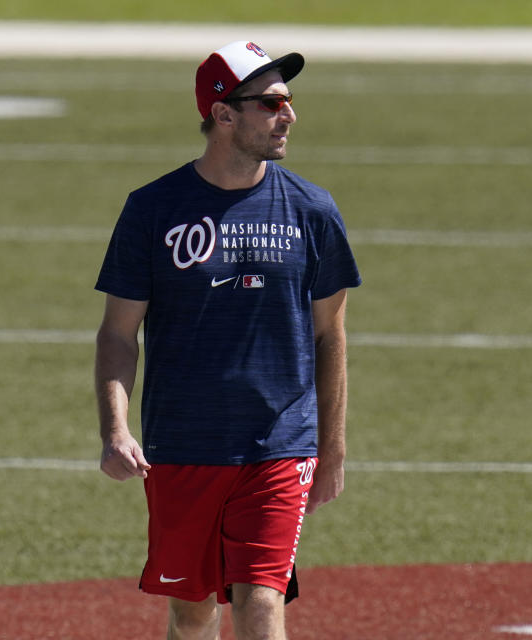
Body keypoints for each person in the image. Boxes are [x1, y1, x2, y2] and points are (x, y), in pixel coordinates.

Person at [93, 40, 362, 640]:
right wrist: (115, 429)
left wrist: (332, 449)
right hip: (183, 441)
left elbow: (330, 336)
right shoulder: (152, 210)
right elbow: (117, 334)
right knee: (191, 612)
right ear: (222, 113)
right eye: (270, 103)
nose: (287, 115)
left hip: (280, 443)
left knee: (260, 600)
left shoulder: (313, 210)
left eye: (287, 101)